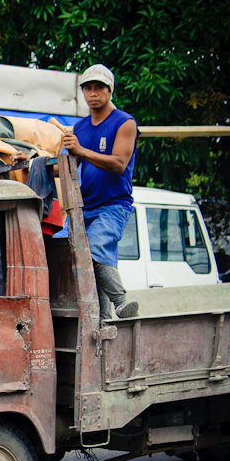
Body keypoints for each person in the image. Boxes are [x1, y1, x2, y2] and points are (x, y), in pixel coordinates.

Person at [62, 64, 139, 322]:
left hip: (114, 204)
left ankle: (121, 302)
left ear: (109, 90)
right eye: (88, 88)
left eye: (99, 88)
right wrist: (30, 162)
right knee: (90, 261)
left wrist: (81, 150)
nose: (93, 93)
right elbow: (68, 168)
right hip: (85, 206)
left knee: (92, 251)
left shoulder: (125, 122)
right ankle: (103, 318)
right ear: (83, 92)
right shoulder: (79, 127)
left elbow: (119, 164)